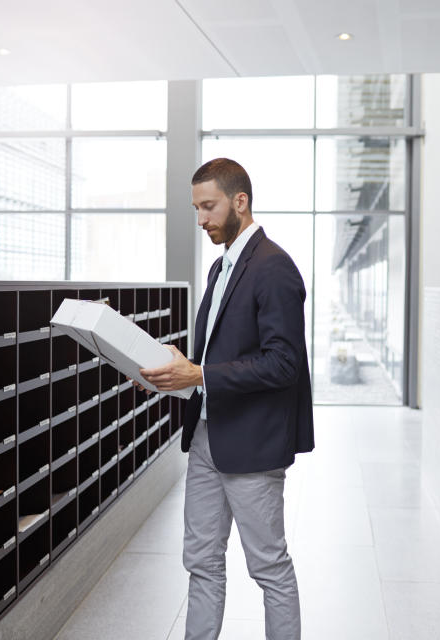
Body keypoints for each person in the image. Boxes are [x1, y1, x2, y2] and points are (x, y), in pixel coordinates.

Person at [138, 157, 314, 640]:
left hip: (252, 444)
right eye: (196, 209)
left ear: (241, 201)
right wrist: (176, 372)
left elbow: (284, 364)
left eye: (209, 207)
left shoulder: (274, 268)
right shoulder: (222, 267)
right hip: (208, 437)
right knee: (201, 561)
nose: (201, 220)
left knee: (268, 567)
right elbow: (218, 355)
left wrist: (199, 373)